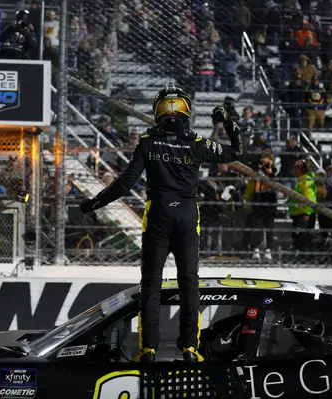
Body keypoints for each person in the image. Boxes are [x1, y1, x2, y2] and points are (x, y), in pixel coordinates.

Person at [79, 82, 243, 363]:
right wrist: (227, 121)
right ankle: (190, 348)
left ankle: (148, 350)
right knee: (189, 283)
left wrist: (94, 203)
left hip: (158, 215)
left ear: (157, 111)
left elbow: (125, 182)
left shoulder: (147, 141)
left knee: (151, 284)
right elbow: (235, 152)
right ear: (186, 111)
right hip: (188, 215)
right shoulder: (198, 142)